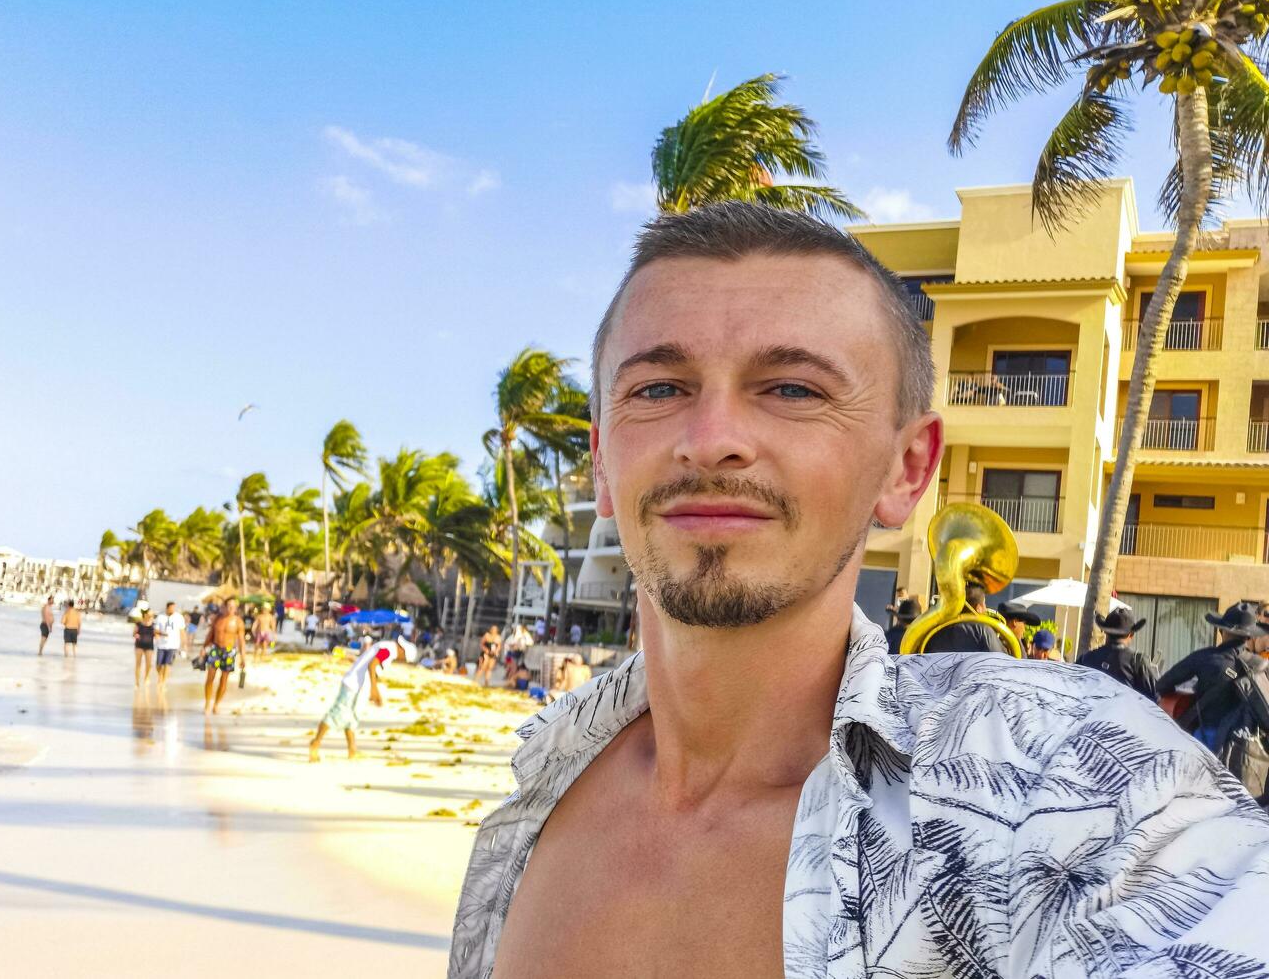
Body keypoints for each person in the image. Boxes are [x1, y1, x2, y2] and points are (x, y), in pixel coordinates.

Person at [450, 202, 1269, 979]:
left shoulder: (1059, 785)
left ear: (906, 469)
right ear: (600, 461)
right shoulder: (545, 789)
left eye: (793, 390)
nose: (712, 440)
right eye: (659, 389)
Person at [1159, 601, 1269, 748]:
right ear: (1249, 637)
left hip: (1207, 739)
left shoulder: (1204, 657)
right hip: (1246, 746)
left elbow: (1162, 684)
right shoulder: (1261, 665)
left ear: (1220, 630)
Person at [308, 642, 390, 762]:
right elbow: (372, 665)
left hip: (358, 686)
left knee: (352, 718)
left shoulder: (384, 648)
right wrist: (374, 690)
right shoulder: (388, 651)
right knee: (336, 713)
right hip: (353, 684)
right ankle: (315, 743)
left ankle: (352, 749)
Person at [1077, 607, 1159, 702]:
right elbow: (1157, 696)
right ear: (1131, 635)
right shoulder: (1137, 661)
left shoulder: (1086, 658)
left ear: (1105, 631)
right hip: (1125, 716)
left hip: (1091, 715)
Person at [920, 582, 1009, 654]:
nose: (986, 609)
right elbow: (1001, 663)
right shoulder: (984, 630)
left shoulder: (934, 630)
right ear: (979, 608)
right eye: (984, 604)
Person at [202, 598, 245, 714]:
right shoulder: (218, 619)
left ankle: (216, 704)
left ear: (236, 608)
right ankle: (207, 703)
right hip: (216, 650)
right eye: (229, 606)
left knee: (224, 680)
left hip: (229, 652)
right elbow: (210, 634)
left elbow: (241, 641)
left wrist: (243, 657)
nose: (231, 608)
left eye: (233, 606)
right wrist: (203, 648)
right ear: (225, 607)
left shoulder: (238, 622)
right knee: (210, 677)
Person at [152, 601, 185, 692]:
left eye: (174, 608)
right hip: (161, 644)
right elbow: (155, 630)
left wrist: (184, 645)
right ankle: (160, 676)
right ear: (167, 608)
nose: (173, 610)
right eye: (171, 608)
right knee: (158, 664)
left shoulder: (179, 617)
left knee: (167, 664)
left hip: (173, 644)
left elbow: (182, 631)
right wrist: (161, 634)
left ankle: (164, 682)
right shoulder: (160, 617)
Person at [132, 610, 156, 687]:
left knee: (149, 664)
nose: (151, 616)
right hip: (139, 645)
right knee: (138, 664)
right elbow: (134, 633)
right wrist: (136, 635)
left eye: (152, 615)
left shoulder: (153, 625)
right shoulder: (138, 624)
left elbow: (156, 634)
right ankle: (137, 681)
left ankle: (146, 677)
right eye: (149, 615)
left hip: (149, 645)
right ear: (145, 615)